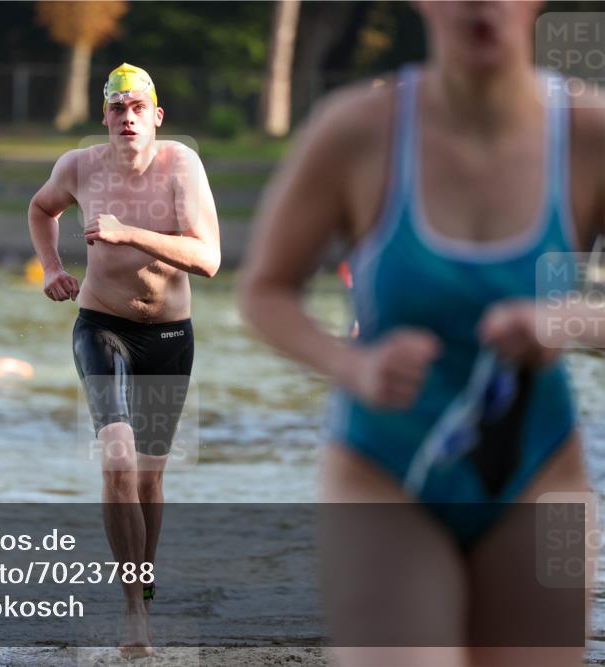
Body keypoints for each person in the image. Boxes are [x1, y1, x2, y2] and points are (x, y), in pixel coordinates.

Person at [238, 2, 603, 666]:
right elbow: (264, 290)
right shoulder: (356, 130)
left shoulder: (590, 133)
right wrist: (354, 366)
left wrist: (566, 321)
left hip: (537, 473)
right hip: (384, 472)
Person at [28, 62, 220, 656]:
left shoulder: (181, 166)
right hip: (101, 327)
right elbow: (42, 209)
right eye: (117, 108)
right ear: (104, 116)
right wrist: (54, 269)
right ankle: (134, 607)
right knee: (115, 463)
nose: (128, 118)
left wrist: (128, 232)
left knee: (148, 480)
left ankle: (145, 578)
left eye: (139, 108)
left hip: (168, 337)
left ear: (156, 117)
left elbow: (208, 259)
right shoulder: (78, 167)